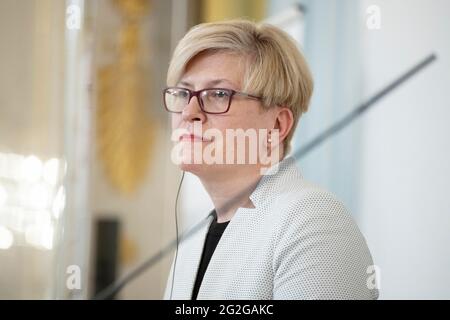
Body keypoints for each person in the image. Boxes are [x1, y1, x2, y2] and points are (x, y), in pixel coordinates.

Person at [162, 19, 378, 300]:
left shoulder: (315, 222)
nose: (189, 112)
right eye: (182, 93)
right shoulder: (193, 238)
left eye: (218, 94)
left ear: (277, 125)